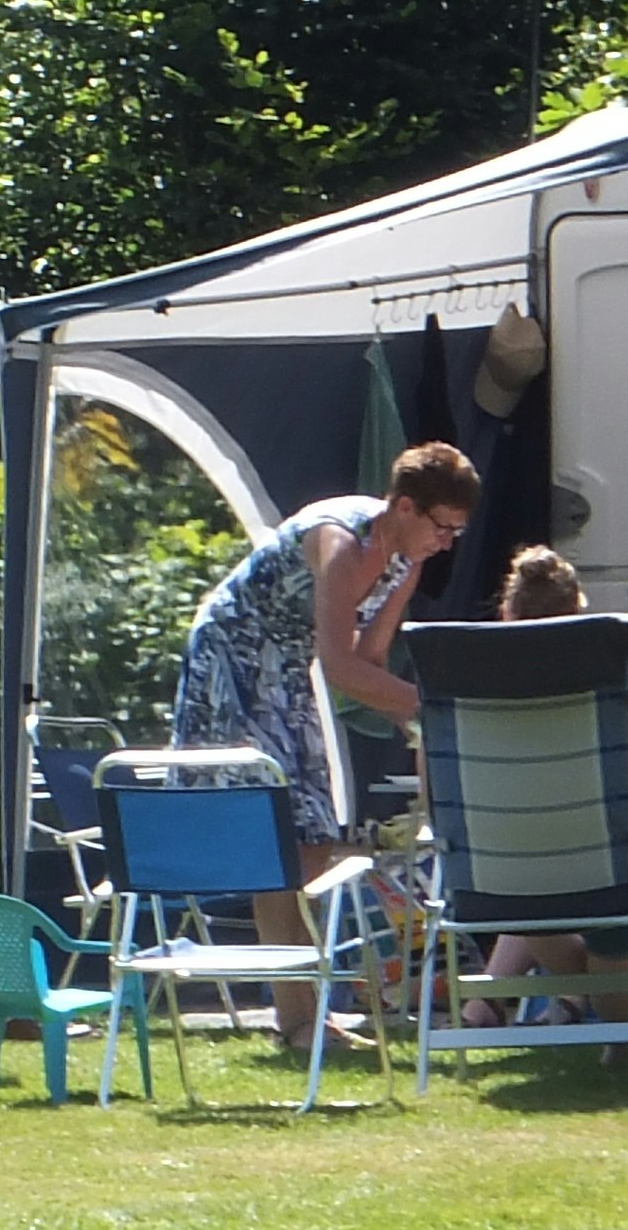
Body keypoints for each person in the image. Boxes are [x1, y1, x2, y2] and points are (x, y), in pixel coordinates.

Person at [166, 442, 481, 1054]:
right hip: (233, 655)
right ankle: (300, 1022)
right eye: (442, 527)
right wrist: (437, 708)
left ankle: (303, 1016)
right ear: (405, 506)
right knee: (279, 839)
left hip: (286, 666)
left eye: (457, 533)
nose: (446, 542)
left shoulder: (403, 561)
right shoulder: (342, 543)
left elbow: (370, 662)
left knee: (309, 844)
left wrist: (416, 725)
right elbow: (340, 668)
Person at [469, 544, 628, 1023]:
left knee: (532, 884)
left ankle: (520, 1005)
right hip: (604, 889)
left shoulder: (467, 713)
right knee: (623, 1005)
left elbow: (435, 801)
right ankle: (607, 1030)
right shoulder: (616, 709)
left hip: (503, 890)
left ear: (507, 615)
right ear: (578, 620)